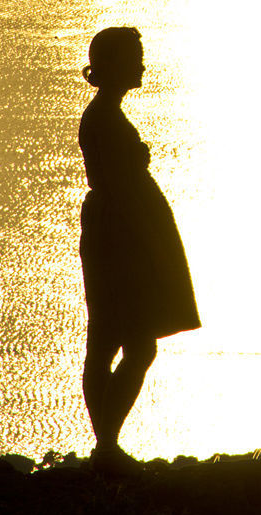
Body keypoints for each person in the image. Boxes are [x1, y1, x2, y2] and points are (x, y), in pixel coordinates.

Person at [78, 26, 200, 468]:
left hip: (123, 232)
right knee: (121, 343)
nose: (142, 64)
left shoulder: (108, 113)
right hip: (120, 238)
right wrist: (145, 246)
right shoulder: (103, 118)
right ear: (111, 64)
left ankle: (107, 445)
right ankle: (107, 446)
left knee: (117, 342)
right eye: (134, 56)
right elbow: (117, 184)